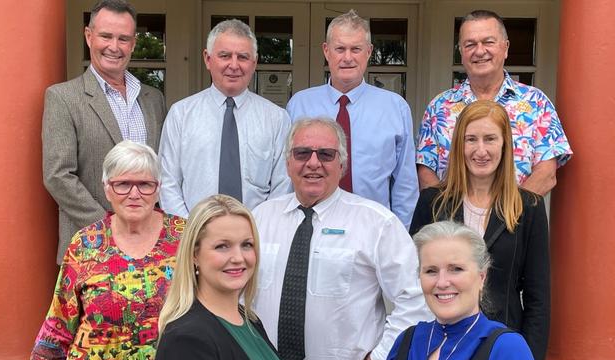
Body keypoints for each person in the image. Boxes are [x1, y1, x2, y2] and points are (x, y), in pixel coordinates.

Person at [252, 117, 431, 360]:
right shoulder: (259, 218)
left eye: (326, 154)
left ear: (342, 165)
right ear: (288, 162)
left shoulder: (377, 224)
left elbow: (416, 299)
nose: (313, 163)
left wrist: (378, 359)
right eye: (302, 153)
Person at [410, 100, 550, 360]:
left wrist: (530, 358)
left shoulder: (528, 207)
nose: (481, 150)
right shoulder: (432, 202)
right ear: (458, 146)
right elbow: (412, 280)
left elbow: (538, 298)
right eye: (471, 139)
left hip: (503, 345)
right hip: (440, 344)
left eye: (490, 139)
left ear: (504, 145)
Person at [30, 140, 185, 360]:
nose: (134, 194)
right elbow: (58, 328)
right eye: (122, 184)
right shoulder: (85, 244)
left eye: (145, 184)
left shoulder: (185, 237)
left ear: (158, 188)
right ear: (107, 189)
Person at [42, 0, 166, 264]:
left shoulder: (153, 99)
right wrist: (109, 227)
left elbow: (159, 170)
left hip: (149, 247)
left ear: (133, 44)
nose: (114, 46)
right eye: (106, 36)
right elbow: (58, 175)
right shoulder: (63, 97)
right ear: (89, 36)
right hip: (89, 245)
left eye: (123, 39)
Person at [416, 9, 572, 196]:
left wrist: (508, 216)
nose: (480, 51)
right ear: (461, 52)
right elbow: (425, 172)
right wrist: (450, 216)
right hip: (452, 222)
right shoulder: (439, 107)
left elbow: (546, 174)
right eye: (470, 44)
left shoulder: (536, 103)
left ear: (505, 48)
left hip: (515, 220)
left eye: (488, 42)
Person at [286, 9, 418, 226]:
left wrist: (401, 234)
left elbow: (405, 183)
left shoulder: (395, 108)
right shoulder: (299, 104)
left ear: (369, 51)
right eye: (340, 49)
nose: (347, 57)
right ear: (327, 51)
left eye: (355, 49)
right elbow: (288, 175)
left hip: (373, 227)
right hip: (310, 223)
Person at [158, 19, 291, 217]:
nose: (234, 65)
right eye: (225, 55)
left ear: (254, 63)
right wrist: (192, 233)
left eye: (243, 57)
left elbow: (283, 186)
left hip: (257, 238)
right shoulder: (181, 114)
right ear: (208, 59)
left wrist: (256, 232)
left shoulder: (277, 119)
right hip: (193, 237)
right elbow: (167, 184)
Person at [386, 221, 535, 360]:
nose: (442, 282)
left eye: (456, 269)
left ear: (481, 277)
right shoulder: (407, 342)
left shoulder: (506, 348)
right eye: (431, 271)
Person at [155, 195, 280, 360]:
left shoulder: (250, 320)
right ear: (194, 254)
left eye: (247, 245)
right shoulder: (186, 339)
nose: (238, 257)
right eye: (222, 246)